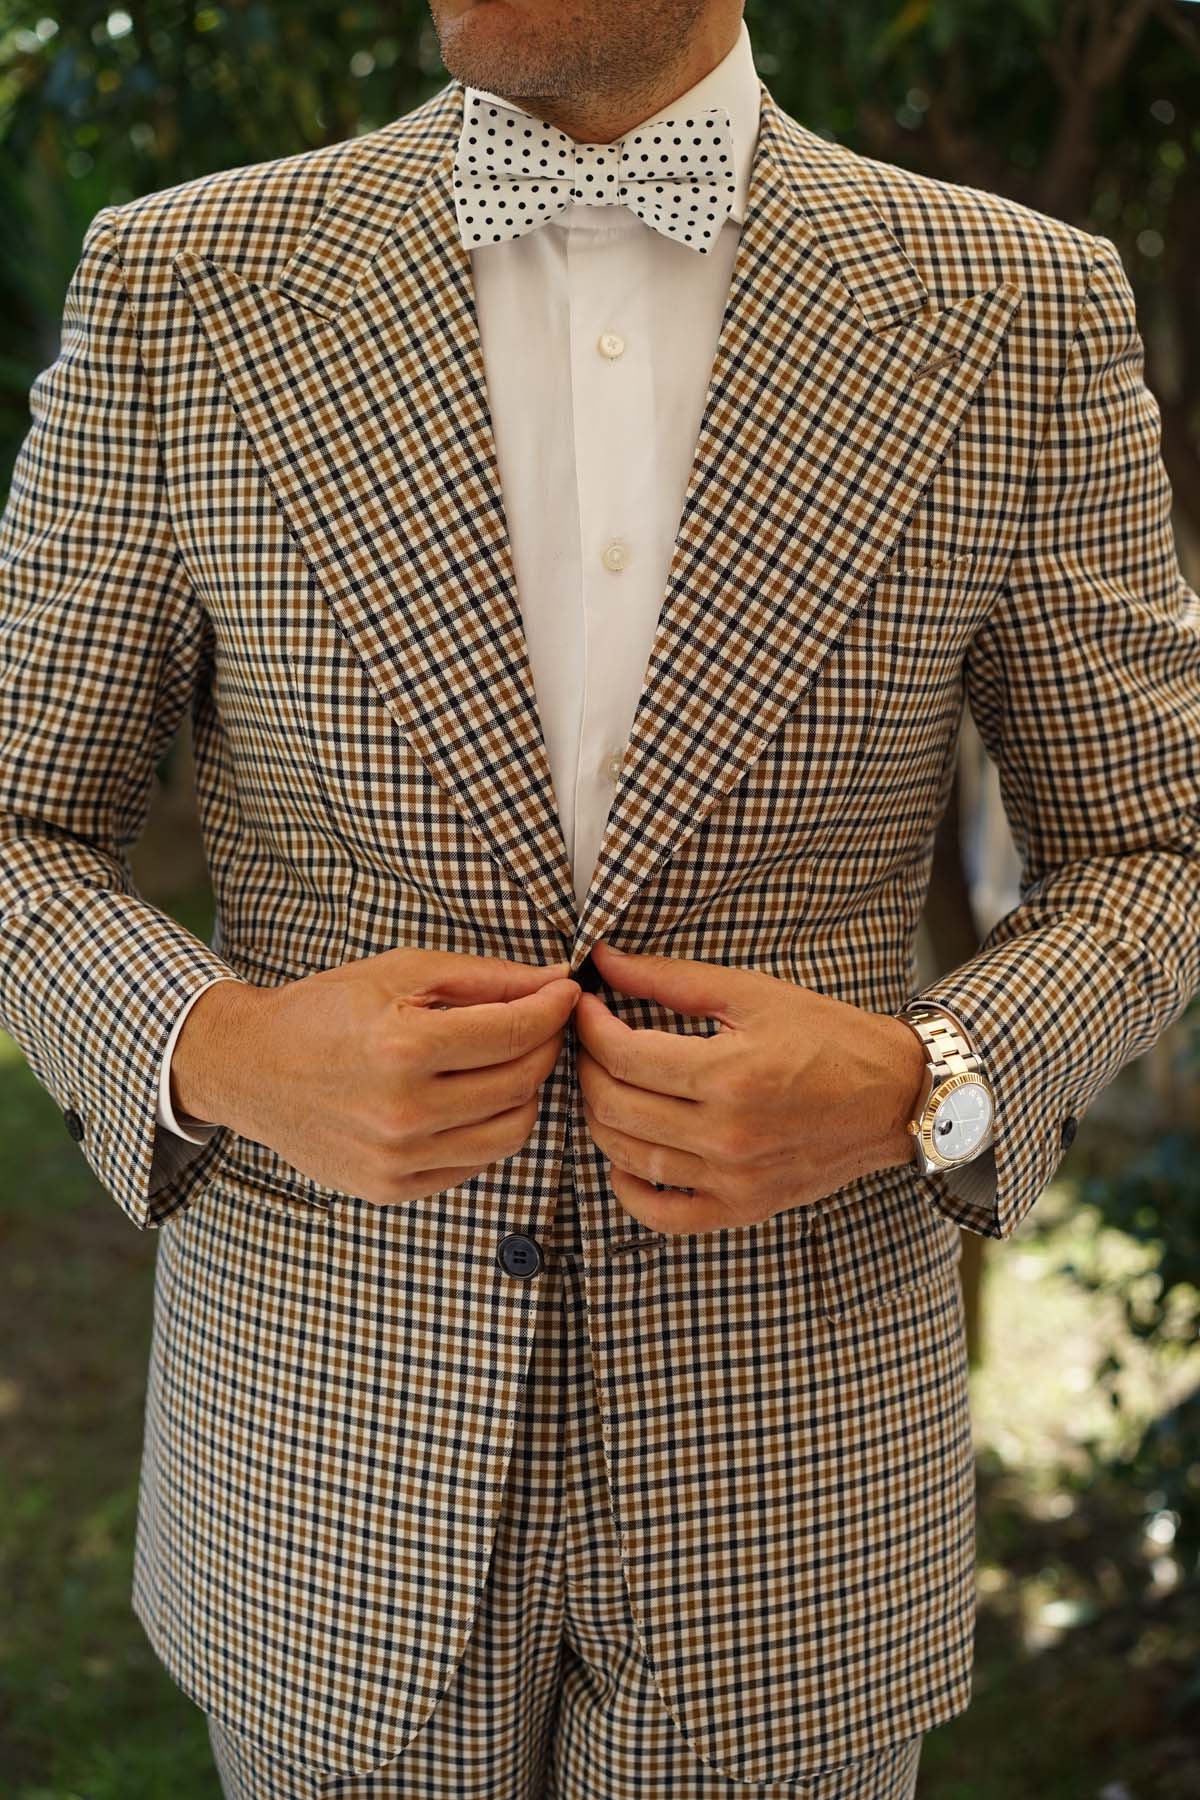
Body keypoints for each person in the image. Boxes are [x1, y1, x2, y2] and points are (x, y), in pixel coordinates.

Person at [2, 1, 1198, 1794]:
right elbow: (20, 816)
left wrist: (926, 1077)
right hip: (330, 1492)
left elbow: (1154, 848)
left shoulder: (1017, 306)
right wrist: (223, 1048)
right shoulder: (188, 283)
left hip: (792, 1514)